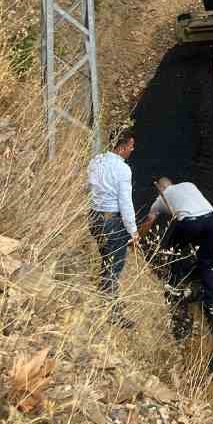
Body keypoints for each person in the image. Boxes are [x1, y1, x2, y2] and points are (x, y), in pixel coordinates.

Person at [140, 177, 213, 319]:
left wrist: (136, 239)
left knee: (173, 250)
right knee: (206, 261)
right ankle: (212, 304)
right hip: (211, 219)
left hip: (190, 222)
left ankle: (174, 286)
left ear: (160, 188)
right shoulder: (189, 184)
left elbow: (149, 221)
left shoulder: (161, 199)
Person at [86, 129, 138, 309]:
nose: (132, 149)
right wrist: (133, 230)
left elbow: (89, 188)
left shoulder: (96, 160)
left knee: (106, 258)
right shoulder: (123, 169)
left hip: (94, 217)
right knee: (114, 265)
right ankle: (110, 310)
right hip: (111, 222)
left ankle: (107, 295)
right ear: (123, 148)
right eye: (132, 146)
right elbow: (125, 202)